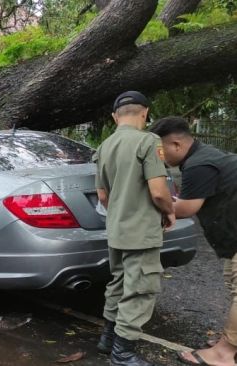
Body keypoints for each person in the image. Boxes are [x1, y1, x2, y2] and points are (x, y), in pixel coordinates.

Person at [94, 91, 175, 366]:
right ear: (145, 113)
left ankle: (107, 340)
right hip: (141, 231)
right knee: (139, 289)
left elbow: (102, 196)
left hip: (116, 229)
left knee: (117, 283)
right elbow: (159, 192)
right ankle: (123, 352)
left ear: (115, 117)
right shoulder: (148, 141)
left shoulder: (104, 147)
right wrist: (169, 211)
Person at [151, 116, 237, 366]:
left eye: (160, 149)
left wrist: (152, 204)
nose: (159, 156)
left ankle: (225, 353)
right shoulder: (205, 156)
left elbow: (186, 207)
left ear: (176, 144)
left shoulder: (199, 164)